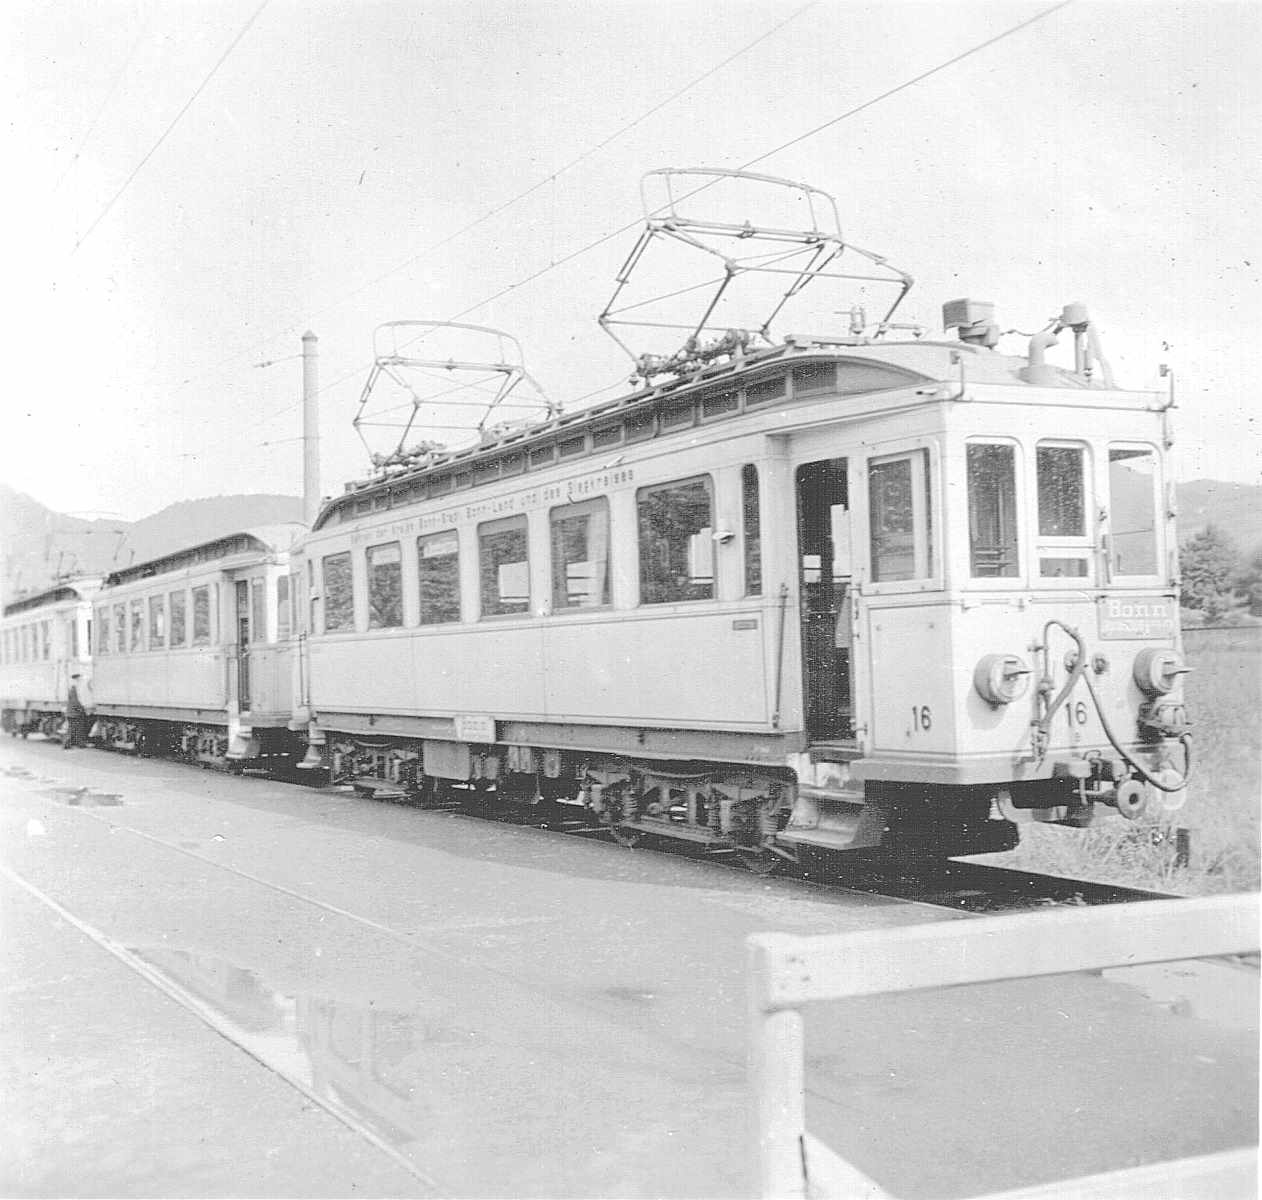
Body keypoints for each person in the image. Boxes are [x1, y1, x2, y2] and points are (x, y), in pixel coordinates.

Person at [64, 673, 93, 749]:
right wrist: (83, 709)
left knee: (75, 729)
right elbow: (76, 702)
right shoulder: (74, 689)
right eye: (79, 679)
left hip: (72, 713)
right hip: (74, 713)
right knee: (76, 729)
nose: (80, 680)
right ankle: (70, 744)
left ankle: (76, 744)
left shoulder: (72, 688)